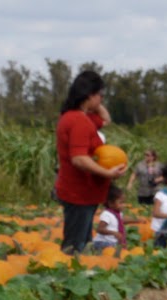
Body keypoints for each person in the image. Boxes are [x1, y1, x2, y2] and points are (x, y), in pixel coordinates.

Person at [54, 70, 126, 254]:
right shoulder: (78, 121)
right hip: (79, 193)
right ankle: (66, 277)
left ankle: (71, 274)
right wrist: (108, 173)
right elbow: (79, 159)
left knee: (82, 242)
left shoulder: (79, 117)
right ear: (89, 95)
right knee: (75, 246)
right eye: (100, 95)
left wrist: (92, 104)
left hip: (83, 194)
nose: (102, 100)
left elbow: (106, 120)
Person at [90, 185, 126, 252]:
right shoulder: (107, 214)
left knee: (119, 249)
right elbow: (100, 229)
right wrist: (114, 233)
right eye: (121, 203)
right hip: (102, 242)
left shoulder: (117, 213)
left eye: (124, 202)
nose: (124, 205)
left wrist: (137, 220)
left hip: (111, 242)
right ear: (111, 203)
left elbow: (122, 220)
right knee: (115, 250)